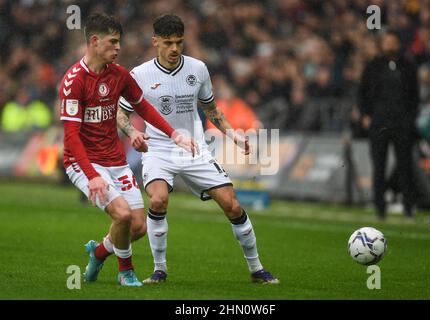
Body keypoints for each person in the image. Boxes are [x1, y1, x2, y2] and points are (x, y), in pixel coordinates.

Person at [117, 14, 278, 284]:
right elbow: (121, 113)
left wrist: (234, 136)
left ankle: (257, 268)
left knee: (232, 205)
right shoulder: (139, 75)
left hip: (194, 148)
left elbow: (211, 110)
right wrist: (132, 132)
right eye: (168, 43)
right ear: (155, 40)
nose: (174, 49)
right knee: (157, 200)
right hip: (158, 148)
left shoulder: (198, 69)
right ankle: (160, 270)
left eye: (179, 42)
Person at [60, 13, 197, 286]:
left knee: (137, 227)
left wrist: (174, 135)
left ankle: (98, 252)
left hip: (115, 161)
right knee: (122, 215)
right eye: (113, 42)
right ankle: (126, 273)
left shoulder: (119, 75)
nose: (118, 47)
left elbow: (143, 106)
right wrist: (92, 176)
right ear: (95, 41)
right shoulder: (74, 80)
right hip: (83, 162)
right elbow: (71, 138)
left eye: (119, 41)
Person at [358, 29, 419, 220]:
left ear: (398, 44)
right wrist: (365, 114)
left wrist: (410, 118)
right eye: (387, 42)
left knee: (405, 166)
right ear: (382, 44)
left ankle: (408, 207)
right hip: (379, 123)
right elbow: (362, 92)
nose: (390, 45)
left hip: (402, 123)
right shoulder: (373, 66)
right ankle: (380, 208)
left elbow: (415, 95)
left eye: (393, 42)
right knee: (379, 167)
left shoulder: (408, 66)